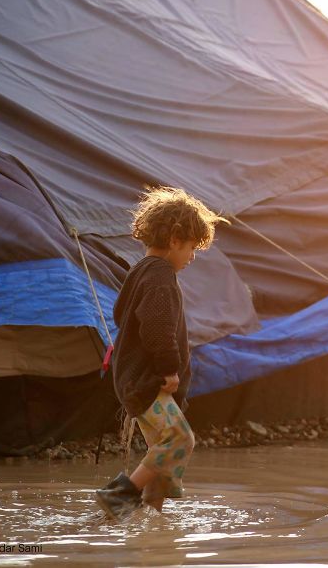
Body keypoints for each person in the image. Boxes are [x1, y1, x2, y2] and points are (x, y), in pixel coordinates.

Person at [95, 186, 228, 520]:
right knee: (180, 440)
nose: (192, 257)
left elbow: (120, 314)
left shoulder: (140, 270)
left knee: (163, 454)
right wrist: (169, 369)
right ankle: (119, 495)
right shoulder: (160, 276)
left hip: (133, 380)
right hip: (148, 381)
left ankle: (152, 521)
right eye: (191, 248)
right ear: (175, 238)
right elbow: (157, 328)